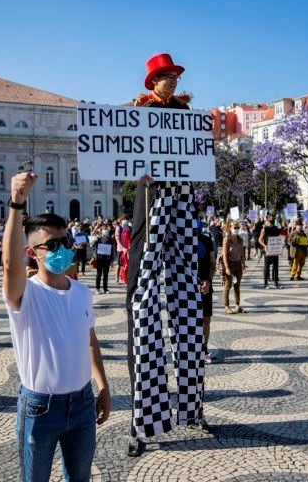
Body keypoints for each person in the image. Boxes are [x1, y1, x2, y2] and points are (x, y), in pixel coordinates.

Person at [125, 53, 209, 457]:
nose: (172, 82)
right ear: (152, 82)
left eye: (175, 77)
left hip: (180, 203)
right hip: (152, 200)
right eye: (165, 77)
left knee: (188, 305)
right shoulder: (141, 112)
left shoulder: (187, 113)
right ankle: (144, 418)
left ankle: (192, 405)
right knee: (142, 304)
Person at [3, 172, 111, 481]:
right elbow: (10, 265)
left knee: (80, 478)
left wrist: (102, 386)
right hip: (40, 408)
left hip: (82, 404)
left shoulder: (81, 292)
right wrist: (16, 204)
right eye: (52, 243)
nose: (63, 248)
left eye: (66, 240)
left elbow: (90, 341)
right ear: (32, 253)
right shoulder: (25, 294)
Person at [197, 223, 216, 363]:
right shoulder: (181, 240)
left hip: (205, 285)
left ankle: (204, 348)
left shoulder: (206, 240)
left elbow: (212, 262)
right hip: (187, 286)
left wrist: (208, 280)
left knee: (206, 319)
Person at [222, 221, 246, 314]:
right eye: (234, 228)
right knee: (228, 285)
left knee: (237, 285)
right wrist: (227, 267)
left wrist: (243, 264)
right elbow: (224, 255)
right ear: (230, 228)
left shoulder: (240, 239)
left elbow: (242, 253)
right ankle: (226, 306)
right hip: (230, 264)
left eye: (237, 227)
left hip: (238, 264)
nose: (236, 229)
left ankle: (237, 305)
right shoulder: (227, 240)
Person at [258, 213, 281, 289]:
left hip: (275, 250)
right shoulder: (264, 229)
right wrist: (265, 246)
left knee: (275, 266)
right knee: (267, 266)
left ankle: (276, 282)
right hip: (267, 250)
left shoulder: (275, 228)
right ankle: (265, 283)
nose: (270, 220)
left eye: (272, 218)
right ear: (266, 220)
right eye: (269, 219)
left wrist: (280, 244)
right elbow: (260, 240)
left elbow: (278, 237)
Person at [92, 228, 114, 294]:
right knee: (99, 274)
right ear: (102, 233)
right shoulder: (98, 240)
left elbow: (111, 250)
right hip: (99, 258)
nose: (105, 235)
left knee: (106, 274)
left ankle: (105, 288)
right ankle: (97, 288)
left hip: (107, 259)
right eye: (104, 233)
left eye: (106, 233)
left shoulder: (110, 241)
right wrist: (94, 240)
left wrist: (112, 260)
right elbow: (92, 246)